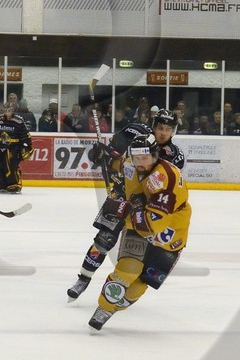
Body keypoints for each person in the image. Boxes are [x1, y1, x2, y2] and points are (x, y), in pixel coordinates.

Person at [67, 110, 185, 300]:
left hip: (147, 209)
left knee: (136, 252)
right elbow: (110, 156)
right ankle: (83, 279)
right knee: (103, 239)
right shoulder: (134, 132)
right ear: (153, 126)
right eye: (160, 128)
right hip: (122, 194)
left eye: (168, 129)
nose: (163, 133)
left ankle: (123, 288)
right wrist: (100, 154)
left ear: (174, 131)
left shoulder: (175, 156)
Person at [86, 141, 192, 332]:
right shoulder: (131, 163)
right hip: (138, 225)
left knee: (142, 283)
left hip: (169, 231)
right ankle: (104, 307)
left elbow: (153, 225)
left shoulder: (164, 178)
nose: (141, 163)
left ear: (155, 156)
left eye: (145, 158)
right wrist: (106, 158)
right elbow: (121, 164)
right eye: (137, 159)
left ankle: (114, 308)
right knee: (127, 271)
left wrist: (127, 209)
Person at [0, 100, 32, 193]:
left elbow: (25, 135)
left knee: (12, 166)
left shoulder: (19, 121)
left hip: (13, 148)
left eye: (10, 109)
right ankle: (1, 183)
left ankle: (14, 184)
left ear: (13, 110)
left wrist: (26, 146)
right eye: (6, 109)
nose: (8, 111)